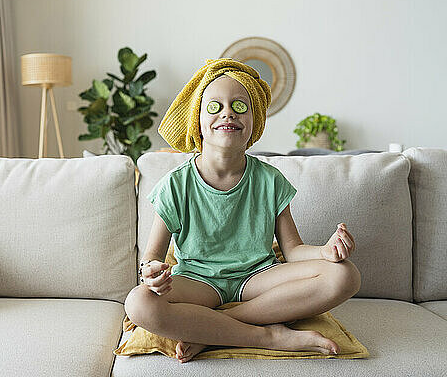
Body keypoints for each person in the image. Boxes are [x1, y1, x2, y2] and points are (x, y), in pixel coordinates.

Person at [124, 58, 361, 363]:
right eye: (214, 106)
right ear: (198, 120)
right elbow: (151, 259)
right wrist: (151, 274)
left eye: (239, 106)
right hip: (198, 283)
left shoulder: (270, 180)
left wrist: (326, 252)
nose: (227, 113)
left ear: (254, 122)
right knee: (139, 302)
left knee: (345, 276)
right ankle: (267, 336)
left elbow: (294, 250)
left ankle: (212, 331)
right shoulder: (176, 184)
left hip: (258, 278)